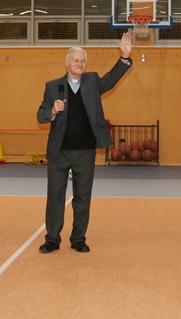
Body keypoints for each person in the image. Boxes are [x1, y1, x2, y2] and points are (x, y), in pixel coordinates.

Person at [36, 33, 133, 253]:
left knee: (83, 197)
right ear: (67, 63)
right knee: (55, 196)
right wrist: (52, 110)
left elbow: (111, 79)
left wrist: (125, 57)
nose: (79, 64)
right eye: (76, 60)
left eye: (83, 61)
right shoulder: (52, 86)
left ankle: (78, 238)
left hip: (85, 151)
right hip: (59, 152)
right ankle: (52, 239)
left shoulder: (92, 81)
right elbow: (40, 115)